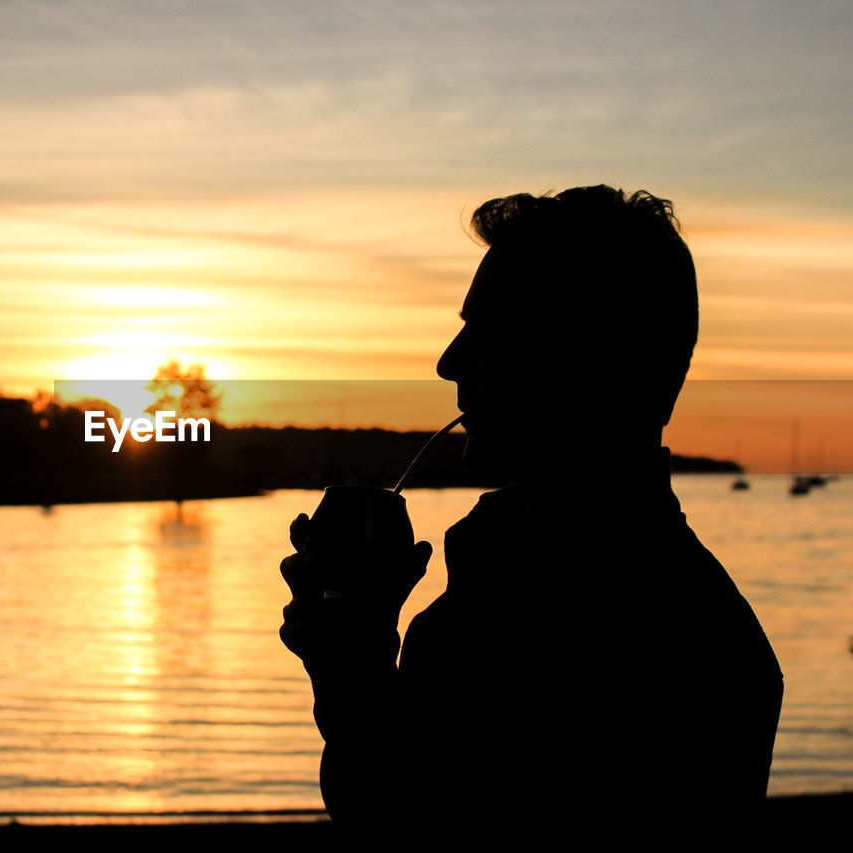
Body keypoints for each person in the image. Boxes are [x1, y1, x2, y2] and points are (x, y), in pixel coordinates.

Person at [279, 186, 783, 837]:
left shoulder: (694, 654)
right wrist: (349, 661)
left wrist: (355, 668)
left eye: (487, 332)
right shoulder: (488, 587)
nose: (448, 361)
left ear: (584, 358)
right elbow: (383, 797)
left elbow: (416, 835)